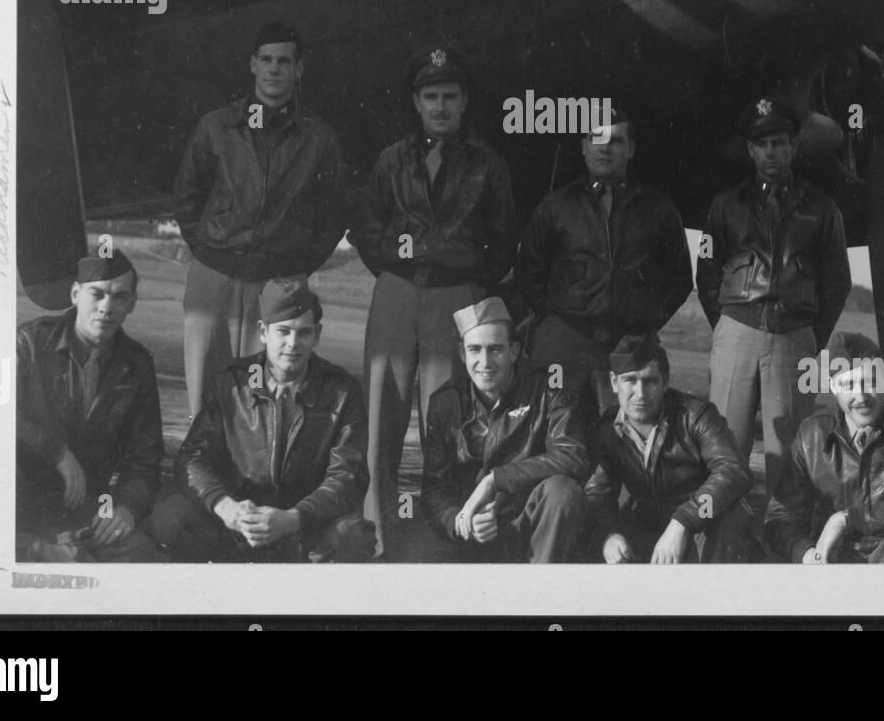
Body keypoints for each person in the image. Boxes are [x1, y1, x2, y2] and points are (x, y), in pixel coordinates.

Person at [349, 45, 518, 558]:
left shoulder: (488, 163)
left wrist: (465, 280)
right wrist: (402, 269)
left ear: (465, 101)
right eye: (430, 96)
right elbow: (366, 229)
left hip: (457, 297)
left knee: (445, 421)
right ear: (416, 102)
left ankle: (442, 535)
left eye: (449, 96)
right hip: (397, 293)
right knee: (382, 414)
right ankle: (376, 537)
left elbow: (505, 238)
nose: (440, 106)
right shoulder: (391, 160)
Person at [172, 20, 349, 418]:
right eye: (266, 60)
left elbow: (334, 215)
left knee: (268, 397)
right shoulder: (216, 127)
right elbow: (186, 198)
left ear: (298, 69)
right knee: (206, 395)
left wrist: (295, 265)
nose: (274, 69)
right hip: (214, 277)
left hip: (278, 283)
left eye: (283, 61)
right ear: (253, 65)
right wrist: (210, 250)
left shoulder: (318, 139)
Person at [148, 280, 374, 563]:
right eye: (283, 331)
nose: (293, 344)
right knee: (168, 518)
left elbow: (346, 477)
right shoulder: (231, 382)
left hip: (302, 525)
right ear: (264, 332)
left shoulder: (342, 391)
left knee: (353, 536)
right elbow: (192, 458)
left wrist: (292, 519)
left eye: (303, 333)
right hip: (237, 520)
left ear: (317, 335)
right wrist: (225, 507)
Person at [696, 97, 851, 500]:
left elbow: (837, 281)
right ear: (750, 149)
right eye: (762, 143)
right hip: (737, 332)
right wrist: (730, 327)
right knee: (724, 446)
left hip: (793, 335)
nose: (771, 152)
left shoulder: (821, 209)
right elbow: (707, 273)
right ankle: (721, 543)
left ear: (794, 147)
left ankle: (786, 541)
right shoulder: (724, 206)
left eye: (779, 142)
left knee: (789, 451)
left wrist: (807, 336)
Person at [515, 106, 692, 421]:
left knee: (621, 437)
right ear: (584, 147)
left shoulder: (658, 209)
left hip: (627, 342)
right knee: (552, 428)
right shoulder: (556, 206)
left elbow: (679, 279)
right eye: (596, 138)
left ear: (631, 149)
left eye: (616, 140)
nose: (606, 147)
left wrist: (645, 320)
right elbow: (529, 273)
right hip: (565, 344)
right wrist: (558, 319)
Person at [16, 250, 162, 562]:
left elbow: (145, 458)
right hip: (19, 497)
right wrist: (56, 451)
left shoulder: (136, 364)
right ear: (75, 293)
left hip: (84, 505)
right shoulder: (29, 342)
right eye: (97, 294)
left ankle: (53, 552)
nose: (107, 308)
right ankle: (45, 551)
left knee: (140, 553)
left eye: (120, 297)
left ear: (132, 304)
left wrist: (126, 509)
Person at [421, 297, 589, 563]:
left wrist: (495, 480)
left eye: (495, 349)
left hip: (531, 529)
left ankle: (539, 594)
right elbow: (434, 488)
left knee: (562, 491)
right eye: (475, 350)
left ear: (514, 351)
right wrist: (460, 521)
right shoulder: (446, 402)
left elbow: (572, 456)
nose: (485, 362)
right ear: (463, 354)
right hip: (474, 533)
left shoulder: (549, 390)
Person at [766, 334, 884, 564]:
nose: (861, 397)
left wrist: (847, 519)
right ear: (833, 386)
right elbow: (780, 516)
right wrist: (807, 554)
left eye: (870, 382)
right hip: (832, 557)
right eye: (848, 385)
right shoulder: (811, 434)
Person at [586, 333, 759, 564]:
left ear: (665, 382)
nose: (640, 393)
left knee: (732, 518)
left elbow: (734, 470)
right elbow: (597, 494)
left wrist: (683, 521)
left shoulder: (695, 415)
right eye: (630, 381)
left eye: (650, 381)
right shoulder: (607, 429)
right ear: (614, 382)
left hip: (700, 527)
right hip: (647, 528)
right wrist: (609, 536)